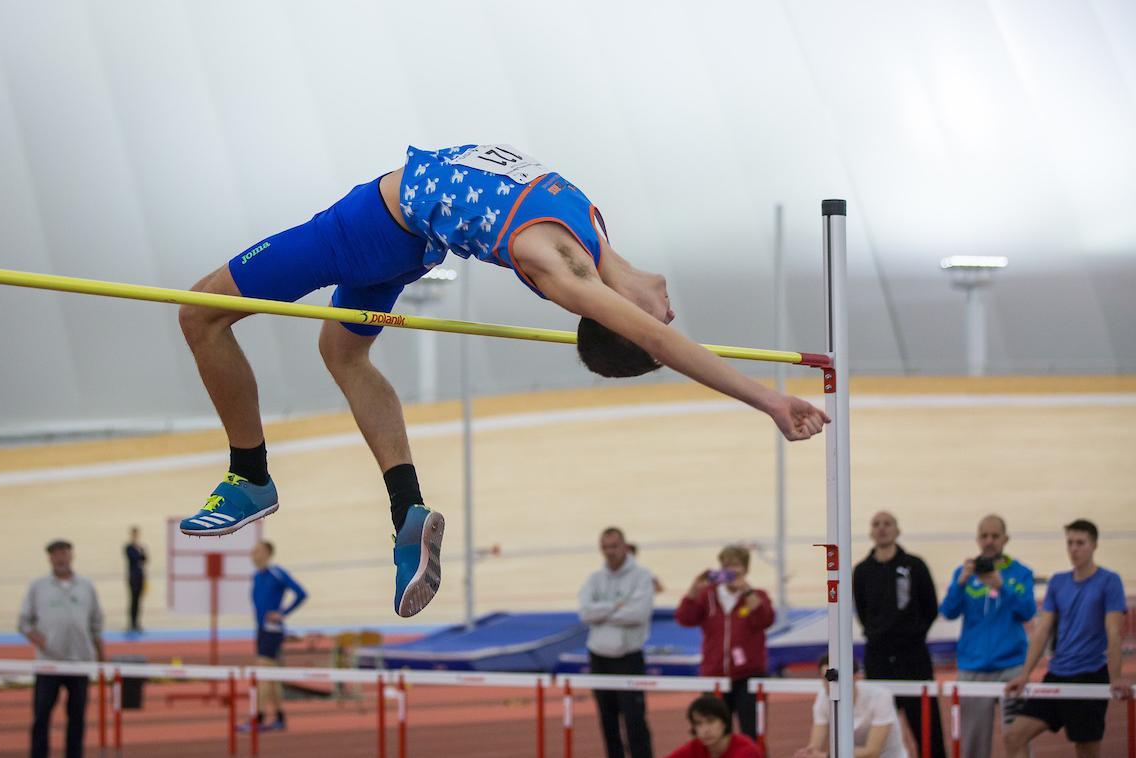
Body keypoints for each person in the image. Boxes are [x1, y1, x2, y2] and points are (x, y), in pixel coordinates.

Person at [175, 143, 831, 618]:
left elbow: (662, 341)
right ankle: (408, 511)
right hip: (402, 234)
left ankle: (249, 476)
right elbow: (652, 327)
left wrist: (769, 399)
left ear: (627, 321)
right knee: (343, 354)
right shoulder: (599, 239)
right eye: (665, 314)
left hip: (367, 228)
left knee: (200, 314)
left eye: (656, 322)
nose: (671, 310)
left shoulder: (562, 265)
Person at [1002, 519, 1129, 758]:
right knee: (1013, 736)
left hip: (1090, 675)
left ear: (1094, 545)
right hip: (1058, 674)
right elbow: (1042, 630)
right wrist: (1026, 674)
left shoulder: (1109, 581)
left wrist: (1117, 677)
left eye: (1080, 543)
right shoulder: (1058, 582)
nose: (1074, 549)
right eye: (1070, 543)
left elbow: (1114, 631)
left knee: (1086, 752)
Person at [937, 514, 1035, 756]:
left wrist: (1001, 586)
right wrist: (960, 583)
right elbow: (948, 612)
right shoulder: (965, 572)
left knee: (1017, 739)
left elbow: (1027, 612)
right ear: (977, 539)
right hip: (973, 668)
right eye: (984, 535)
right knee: (972, 744)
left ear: (1005, 539)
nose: (989, 541)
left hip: (1011, 667)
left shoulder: (1020, 572)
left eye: (995, 536)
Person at [851, 511, 946, 758]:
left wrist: (912, 634)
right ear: (871, 532)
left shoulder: (915, 565)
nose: (882, 528)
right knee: (880, 731)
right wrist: (878, 634)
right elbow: (861, 610)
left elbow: (930, 607)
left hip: (913, 657)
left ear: (897, 530)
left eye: (887, 524)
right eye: (876, 524)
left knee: (927, 726)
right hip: (878, 658)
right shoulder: (861, 571)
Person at [674, 545, 774, 739]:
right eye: (725, 565)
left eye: (735, 565)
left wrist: (746, 591)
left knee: (752, 733)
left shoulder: (757, 596)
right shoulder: (708, 596)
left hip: (749, 676)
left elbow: (765, 620)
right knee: (713, 735)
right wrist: (694, 590)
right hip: (715, 675)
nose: (729, 570)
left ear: (745, 568)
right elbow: (684, 619)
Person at [18, 539, 104, 758]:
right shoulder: (38, 587)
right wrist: (42, 643)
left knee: (77, 718)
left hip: (80, 663)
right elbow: (24, 623)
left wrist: (102, 659)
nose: (60, 557)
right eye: (56, 554)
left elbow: (96, 624)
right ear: (50, 558)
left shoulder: (86, 586)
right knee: (41, 716)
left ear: (71, 555)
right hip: (48, 665)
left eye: (64, 553)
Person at [578, 527, 656, 758]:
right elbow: (584, 613)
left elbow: (638, 614)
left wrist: (602, 613)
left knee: (634, 719)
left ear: (624, 546)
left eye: (614, 546)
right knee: (607, 720)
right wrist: (616, 606)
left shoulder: (641, 576)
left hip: (628, 657)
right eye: (605, 547)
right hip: (599, 657)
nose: (610, 552)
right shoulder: (594, 579)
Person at [241, 540, 308, 733]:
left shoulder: (276, 573)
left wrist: (283, 613)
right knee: (271, 677)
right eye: (252, 551)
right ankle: (279, 717)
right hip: (262, 630)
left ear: (267, 553)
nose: (253, 554)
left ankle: (258, 718)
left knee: (262, 675)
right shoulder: (256, 576)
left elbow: (301, 593)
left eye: (257, 551)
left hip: (272, 631)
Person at [794, 655, 907, 758]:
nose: (831, 685)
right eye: (826, 679)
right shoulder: (823, 698)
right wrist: (808, 753)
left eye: (835, 679)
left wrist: (825, 756)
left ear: (855, 676)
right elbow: (815, 745)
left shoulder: (881, 697)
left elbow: (872, 752)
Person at [663, 695, 763, 758]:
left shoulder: (746, 751)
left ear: (724, 723)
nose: (705, 730)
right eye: (698, 723)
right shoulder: (696, 747)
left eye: (711, 721)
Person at [124, 526, 147, 633]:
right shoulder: (128, 547)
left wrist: (140, 551)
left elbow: (145, 559)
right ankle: (131, 624)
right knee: (133, 600)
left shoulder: (141, 547)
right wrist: (138, 552)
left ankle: (137, 623)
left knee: (139, 601)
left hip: (140, 576)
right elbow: (132, 558)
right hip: (133, 577)